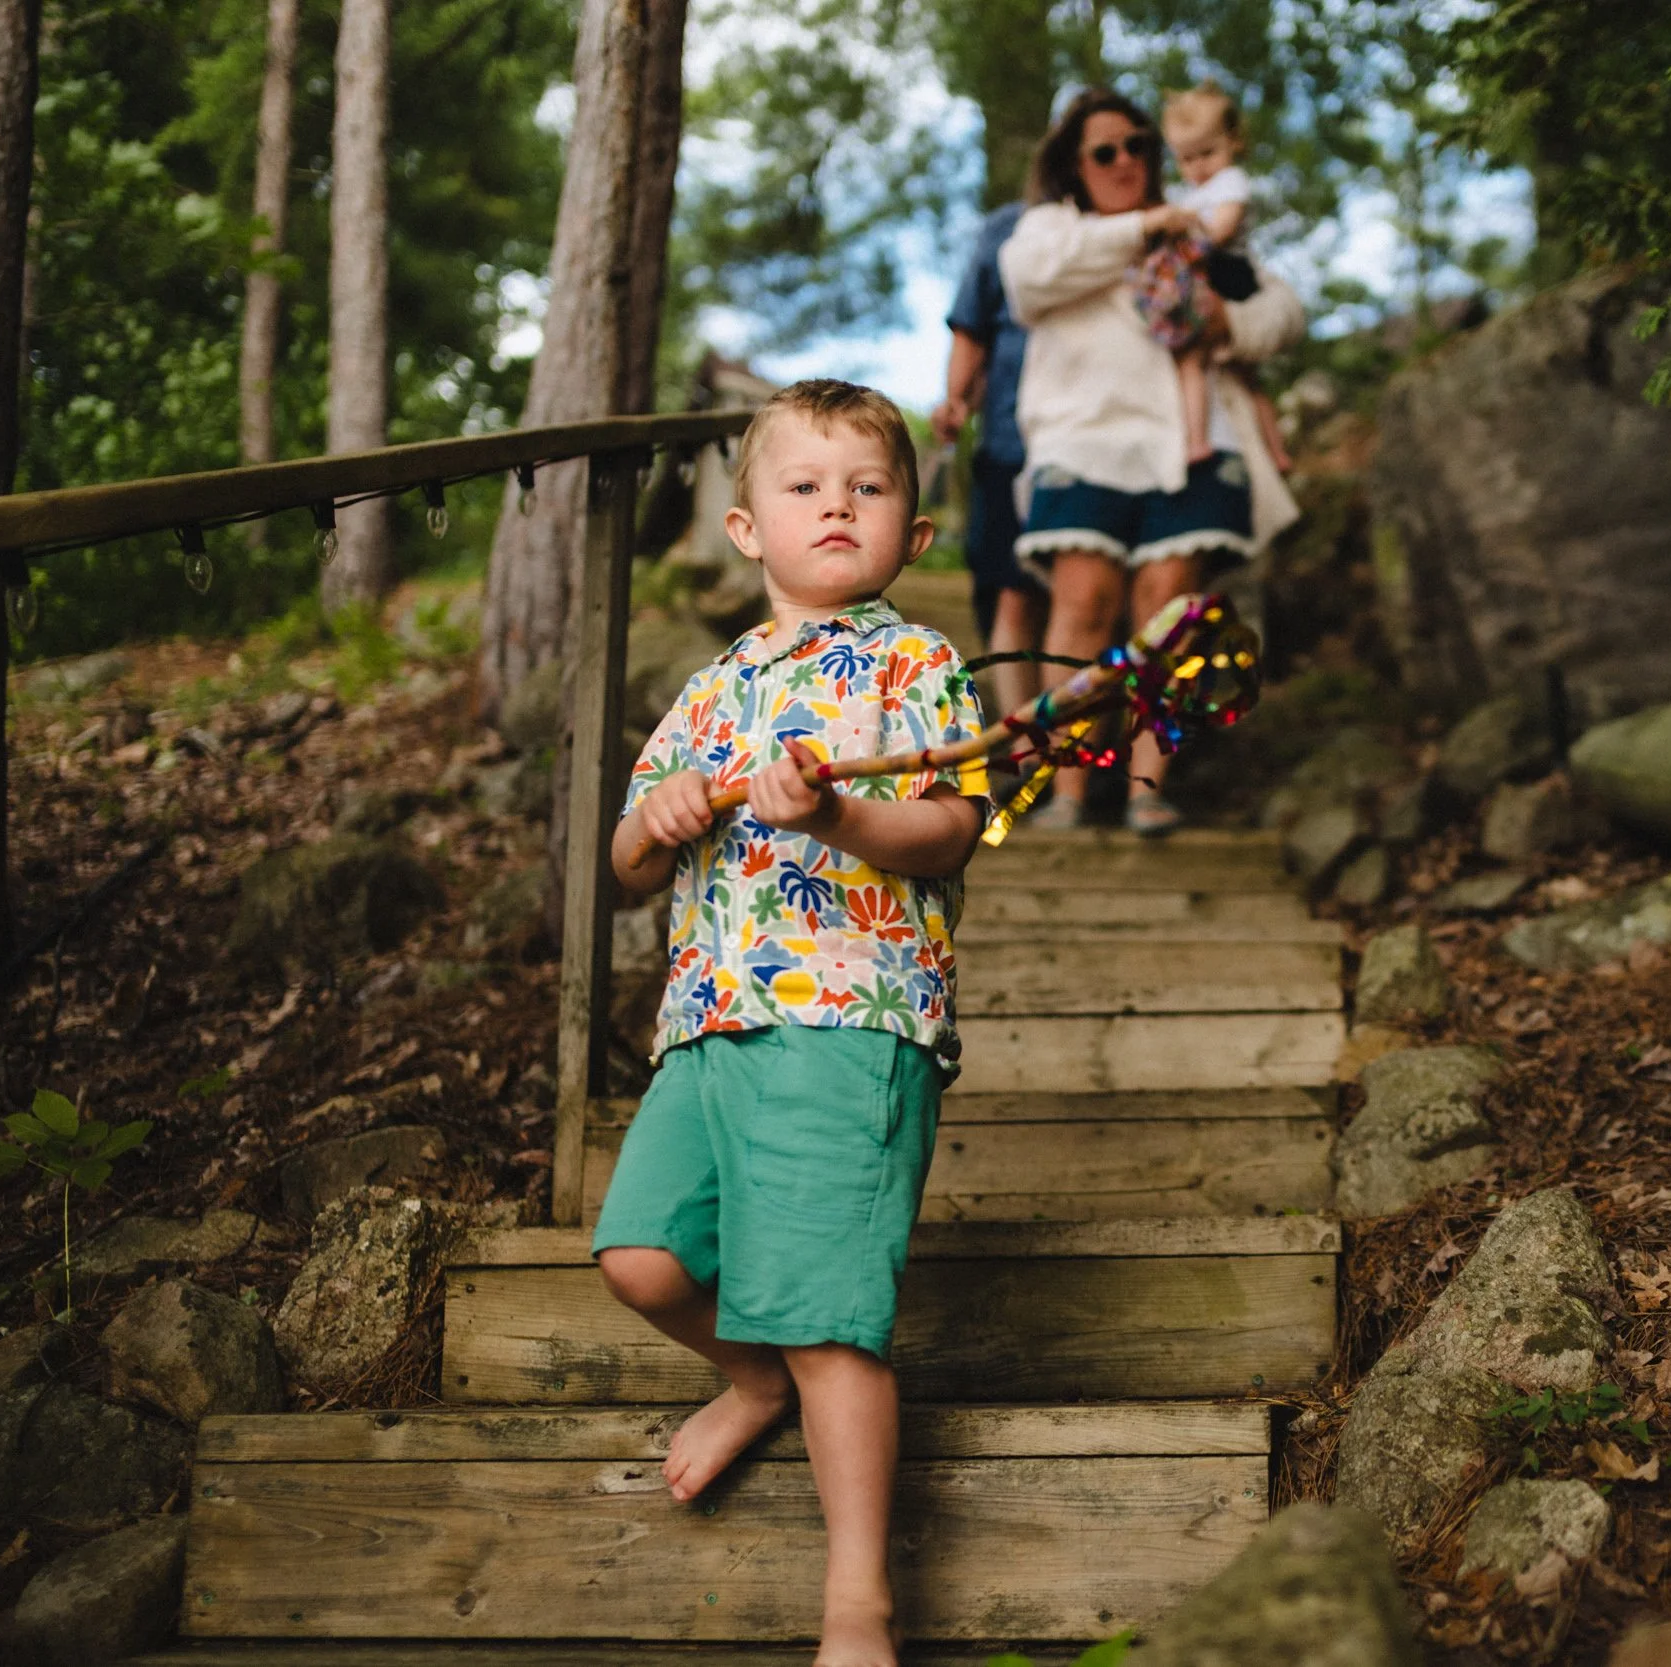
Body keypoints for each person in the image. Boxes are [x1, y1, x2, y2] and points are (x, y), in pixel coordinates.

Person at [596, 378, 988, 1667]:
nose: (837, 506)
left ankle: (857, 1602)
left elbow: (946, 830)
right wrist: (650, 827)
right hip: (708, 1021)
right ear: (745, 527)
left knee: (825, 1312)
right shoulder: (710, 688)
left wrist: (833, 815)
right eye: (805, 486)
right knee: (642, 1257)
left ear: (912, 535)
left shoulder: (917, 664)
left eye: (868, 488)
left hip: (849, 1015)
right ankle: (752, 1379)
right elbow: (625, 857)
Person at [1001, 86, 1302, 833]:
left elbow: (1283, 312)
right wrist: (1143, 230)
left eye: (1139, 144)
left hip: (1189, 450)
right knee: (1081, 607)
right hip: (1082, 443)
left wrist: (1220, 315)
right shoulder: (1053, 229)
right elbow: (1028, 280)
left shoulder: (1198, 227)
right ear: (1076, 163)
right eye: (1106, 150)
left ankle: (1145, 789)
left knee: (1167, 618)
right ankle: (1066, 792)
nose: (1127, 159)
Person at [933, 196, 1046, 725]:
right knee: (1007, 588)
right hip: (1010, 441)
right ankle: (1024, 748)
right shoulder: (1008, 226)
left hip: (1108, 447)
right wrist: (956, 397)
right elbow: (972, 326)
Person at [1146, 82, 1293, 472]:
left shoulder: (1231, 182)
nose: (1198, 166)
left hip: (1227, 271)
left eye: (1207, 152)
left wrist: (1188, 229)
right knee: (1234, 374)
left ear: (1233, 142)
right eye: (1187, 158)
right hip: (1208, 271)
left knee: (1194, 358)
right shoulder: (1191, 192)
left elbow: (1223, 230)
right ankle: (1263, 452)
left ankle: (1205, 443)